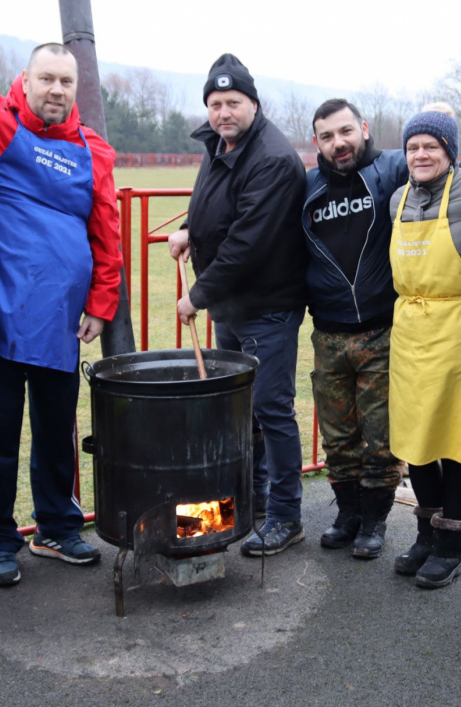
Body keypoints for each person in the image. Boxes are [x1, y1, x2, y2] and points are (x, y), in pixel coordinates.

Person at [0, 43, 122, 587]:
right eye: (46, 79)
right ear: (23, 80)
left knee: (57, 430)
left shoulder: (93, 149)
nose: (56, 90)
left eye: (65, 82)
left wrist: (101, 304)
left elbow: (106, 231)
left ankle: (56, 526)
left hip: (60, 318)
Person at [168, 54, 309, 557]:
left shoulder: (270, 157)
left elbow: (249, 243)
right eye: (215, 103)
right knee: (240, 413)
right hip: (232, 307)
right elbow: (214, 206)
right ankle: (251, 503)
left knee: (271, 410)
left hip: (265, 307)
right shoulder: (221, 144)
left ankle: (286, 516)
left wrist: (197, 296)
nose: (223, 112)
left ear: (253, 103)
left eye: (233, 102)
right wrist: (189, 230)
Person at [302, 99, 407, 558]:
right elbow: (252, 213)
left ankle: (375, 522)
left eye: (345, 131)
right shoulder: (306, 189)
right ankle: (347, 514)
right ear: (317, 142)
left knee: (381, 436)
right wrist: (190, 228)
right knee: (338, 436)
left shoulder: (391, 171)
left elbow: (450, 161)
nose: (338, 143)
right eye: (327, 136)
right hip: (326, 334)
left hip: (381, 331)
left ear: (363, 128)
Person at [387, 110, 461, 588]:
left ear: (450, 151)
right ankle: (425, 535)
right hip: (409, 332)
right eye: (413, 147)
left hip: (457, 330)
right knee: (416, 442)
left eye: (431, 146)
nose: (421, 155)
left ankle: (451, 545)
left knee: (454, 444)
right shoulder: (396, 199)